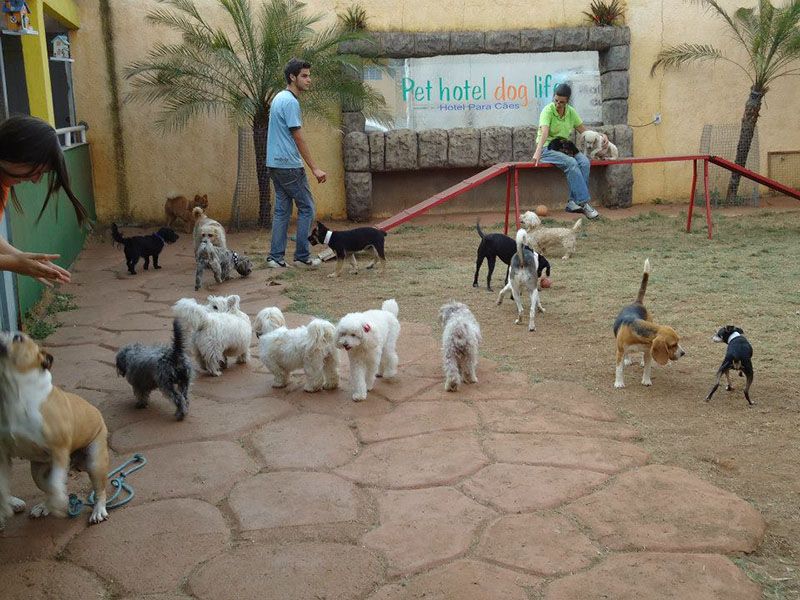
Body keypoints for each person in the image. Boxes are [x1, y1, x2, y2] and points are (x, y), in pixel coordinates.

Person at [0, 115, 89, 285]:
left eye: (42, 173)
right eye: (35, 170)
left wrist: (23, 259)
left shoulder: (3, 183)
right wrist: (14, 263)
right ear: (15, 154)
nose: (35, 180)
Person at [265, 58, 327, 269]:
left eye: (309, 75)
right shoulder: (291, 102)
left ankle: (275, 258)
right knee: (307, 208)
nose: (309, 80)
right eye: (304, 76)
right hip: (289, 165)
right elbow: (298, 137)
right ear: (292, 77)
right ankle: (302, 256)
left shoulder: (279, 98)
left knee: (282, 211)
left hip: (274, 164)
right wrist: (314, 168)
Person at [531, 83, 604, 220]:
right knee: (571, 163)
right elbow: (544, 132)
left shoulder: (571, 112)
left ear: (567, 101)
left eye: (561, 102)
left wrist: (601, 136)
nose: (558, 104)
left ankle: (572, 202)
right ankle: (583, 203)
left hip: (563, 147)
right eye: (556, 100)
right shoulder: (547, 110)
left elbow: (584, 131)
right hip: (547, 148)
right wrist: (538, 152)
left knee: (584, 162)